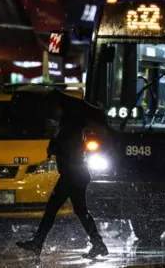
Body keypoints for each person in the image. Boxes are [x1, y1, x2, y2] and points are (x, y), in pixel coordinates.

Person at [16, 89, 109, 259]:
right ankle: (98, 244)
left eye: (54, 108)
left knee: (53, 209)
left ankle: (38, 243)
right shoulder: (67, 122)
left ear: (60, 107)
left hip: (72, 175)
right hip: (74, 174)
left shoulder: (71, 125)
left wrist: (55, 147)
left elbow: (70, 149)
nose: (53, 111)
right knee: (79, 211)